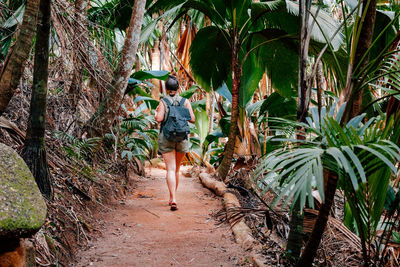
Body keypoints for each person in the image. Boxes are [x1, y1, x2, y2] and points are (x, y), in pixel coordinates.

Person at [155, 75, 195, 211]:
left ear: (166, 89)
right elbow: (193, 119)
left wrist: (156, 114)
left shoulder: (163, 101)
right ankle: (174, 197)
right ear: (178, 88)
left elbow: (159, 119)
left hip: (167, 137)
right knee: (177, 170)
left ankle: (173, 198)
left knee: (170, 170)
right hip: (182, 138)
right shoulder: (185, 101)